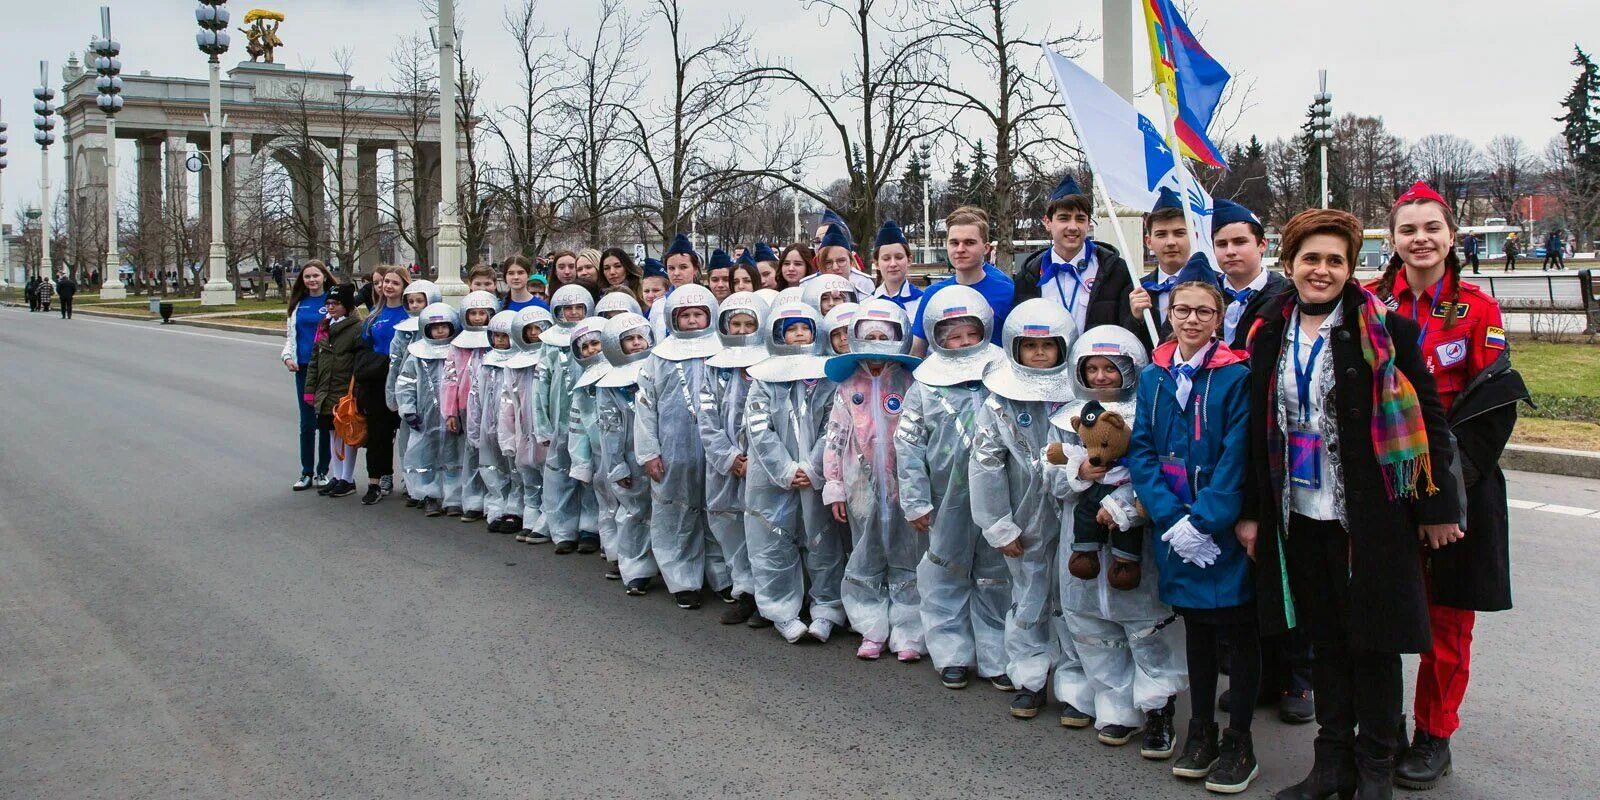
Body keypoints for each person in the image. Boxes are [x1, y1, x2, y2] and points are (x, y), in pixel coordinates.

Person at [1240, 208, 1460, 800]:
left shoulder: (1385, 331)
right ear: (1288, 264)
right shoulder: (1265, 331)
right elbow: (1254, 430)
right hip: (1298, 513)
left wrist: (1440, 507)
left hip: (1369, 517)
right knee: (1325, 641)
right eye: (1310, 258)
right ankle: (1331, 762)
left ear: (1350, 267)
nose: (1322, 270)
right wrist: (1254, 511)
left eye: (1335, 259)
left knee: (1376, 643)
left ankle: (1374, 767)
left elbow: (1432, 421)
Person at [1368, 182, 1526, 793]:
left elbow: (1493, 404)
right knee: (1378, 611)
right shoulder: (1372, 302)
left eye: (1431, 228)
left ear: (1451, 236)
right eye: (1408, 230)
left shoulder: (1478, 308)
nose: (1420, 240)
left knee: (1448, 622)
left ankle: (1434, 735)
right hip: (1388, 479)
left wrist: (1449, 493)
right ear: (1393, 240)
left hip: (1459, 481)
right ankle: (1379, 726)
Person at [1125, 280, 1259, 793]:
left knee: (1238, 630)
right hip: (1175, 530)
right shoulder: (1154, 376)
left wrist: (1204, 522)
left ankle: (1240, 739)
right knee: (1197, 632)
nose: (1192, 320)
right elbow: (1141, 451)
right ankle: (1201, 728)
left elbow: (1236, 457)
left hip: (1218, 531)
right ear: (1170, 313)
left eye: (1205, 312)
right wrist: (1170, 520)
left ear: (1219, 319)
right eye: (1183, 310)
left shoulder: (1235, 377)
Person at [1044, 325, 1188, 751]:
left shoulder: (1151, 412)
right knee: (1092, 629)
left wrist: (1124, 503)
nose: (1103, 376)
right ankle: (1115, 708)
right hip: (1081, 540)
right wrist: (1076, 474)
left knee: (1147, 628)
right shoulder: (1066, 417)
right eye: (1093, 368)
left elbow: (1163, 471)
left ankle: (1158, 708)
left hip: (1136, 543)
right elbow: (1048, 474)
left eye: (1112, 367)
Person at [897, 286, 1010, 690]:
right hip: (944, 499)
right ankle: (951, 652)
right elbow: (908, 445)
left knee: (996, 575)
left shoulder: (1002, 377)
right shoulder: (924, 386)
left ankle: (997, 655)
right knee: (945, 571)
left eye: (970, 334)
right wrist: (915, 501)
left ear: (985, 331)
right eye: (952, 336)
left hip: (1000, 497)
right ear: (937, 337)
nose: (962, 343)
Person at [969, 298, 1077, 721]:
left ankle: (1076, 683)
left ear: (1063, 348)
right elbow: (985, 462)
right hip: (1022, 515)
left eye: (1048, 346)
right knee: (1029, 595)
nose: (1038, 354)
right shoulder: (1000, 400)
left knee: (1073, 598)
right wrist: (998, 524)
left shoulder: (1081, 391)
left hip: (1071, 513)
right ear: (1014, 348)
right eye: (1029, 347)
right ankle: (1030, 677)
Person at [823, 298, 927, 661]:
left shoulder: (912, 382)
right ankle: (871, 627)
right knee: (866, 554)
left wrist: (920, 488)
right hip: (860, 486)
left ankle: (909, 631)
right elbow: (835, 438)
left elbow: (922, 437)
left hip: (904, 484)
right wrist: (834, 484)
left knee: (909, 556)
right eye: (870, 335)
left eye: (885, 335)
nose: (877, 341)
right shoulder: (847, 387)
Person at [743, 301, 848, 643]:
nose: (799, 334)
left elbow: (833, 427)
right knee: (771, 540)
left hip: (815, 476)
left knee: (822, 541)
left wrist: (811, 467)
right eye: (791, 329)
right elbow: (758, 428)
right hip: (771, 478)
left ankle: (827, 609)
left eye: (805, 328)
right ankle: (781, 611)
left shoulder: (826, 376)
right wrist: (786, 470)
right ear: (777, 335)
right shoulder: (763, 378)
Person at [636, 284, 732, 610]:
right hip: (673, 450)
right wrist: (648, 452)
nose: (692, 321)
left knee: (719, 512)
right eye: (685, 315)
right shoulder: (658, 357)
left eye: (698, 314)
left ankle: (723, 576)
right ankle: (682, 579)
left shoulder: (723, 351)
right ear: (673, 319)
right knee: (675, 511)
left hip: (716, 450)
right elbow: (645, 407)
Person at [699, 292, 771, 625]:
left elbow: (773, 422)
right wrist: (730, 458)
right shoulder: (715, 367)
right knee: (729, 525)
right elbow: (707, 416)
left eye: (749, 324)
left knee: (763, 527)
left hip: (762, 467)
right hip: (726, 467)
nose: (742, 330)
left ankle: (769, 595)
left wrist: (756, 460)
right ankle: (745, 590)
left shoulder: (771, 363)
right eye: (736, 324)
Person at [1013, 175, 1145, 342]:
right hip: (1047, 365)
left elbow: (1128, 331)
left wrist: (1137, 318)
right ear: (1047, 222)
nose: (1073, 227)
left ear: (1088, 223)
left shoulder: (1116, 271)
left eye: (1080, 219)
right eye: (1064, 218)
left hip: (1096, 366)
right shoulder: (1028, 276)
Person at [597, 312, 660, 594]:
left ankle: (670, 564)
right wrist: (617, 466)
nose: (636, 344)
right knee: (634, 513)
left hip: (662, 455)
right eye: (629, 339)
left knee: (667, 511)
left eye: (640, 337)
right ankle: (635, 567)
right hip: (630, 457)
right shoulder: (610, 383)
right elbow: (609, 429)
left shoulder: (661, 368)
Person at [537, 285, 600, 551]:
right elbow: (541, 385)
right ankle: (562, 528)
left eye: (579, 308)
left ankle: (590, 527)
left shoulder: (595, 338)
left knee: (589, 474)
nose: (573, 313)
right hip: (561, 420)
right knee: (559, 475)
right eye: (567, 309)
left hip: (590, 421)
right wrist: (543, 425)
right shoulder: (550, 344)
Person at [910, 206, 1017, 353]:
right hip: (946, 375)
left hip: (994, 374)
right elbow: (917, 351)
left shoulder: (1008, 292)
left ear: (986, 248)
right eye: (954, 243)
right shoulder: (933, 295)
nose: (960, 249)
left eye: (969, 242)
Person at [442, 290, 500, 520]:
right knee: (470, 453)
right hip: (466, 407)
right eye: (473, 313)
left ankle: (493, 500)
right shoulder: (458, 346)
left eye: (482, 313)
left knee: (492, 454)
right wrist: (450, 412)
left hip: (493, 406)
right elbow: (450, 378)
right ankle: (471, 498)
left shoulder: (497, 341)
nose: (477, 318)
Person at [396, 302, 460, 515]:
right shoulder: (417, 354)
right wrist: (408, 410)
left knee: (454, 458)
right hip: (425, 417)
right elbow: (405, 382)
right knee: (424, 456)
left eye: (444, 325)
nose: (440, 330)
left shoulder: (458, 351)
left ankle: (453, 498)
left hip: (452, 417)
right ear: (426, 328)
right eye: (435, 327)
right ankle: (428, 495)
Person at [355, 266, 410, 504]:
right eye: (386, 282)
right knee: (379, 435)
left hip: (406, 381)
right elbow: (365, 347)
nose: (388, 286)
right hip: (378, 382)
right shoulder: (374, 317)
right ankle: (377, 480)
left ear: (404, 287)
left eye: (395, 283)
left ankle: (412, 479)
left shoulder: (411, 315)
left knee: (409, 433)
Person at [304, 283, 364, 499]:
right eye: (328, 303)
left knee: (346, 435)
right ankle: (337, 476)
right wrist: (310, 390)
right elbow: (314, 361)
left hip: (343, 391)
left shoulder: (356, 328)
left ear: (346, 306)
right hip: (325, 390)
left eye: (336, 303)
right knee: (331, 434)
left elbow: (359, 363)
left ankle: (348, 478)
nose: (330, 307)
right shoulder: (324, 326)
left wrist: (356, 392)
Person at [502, 306, 555, 543]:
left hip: (547, 430)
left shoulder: (552, 356)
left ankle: (548, 521)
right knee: (528, 475)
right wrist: (509, 435)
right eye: (529, 329)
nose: (534, 333)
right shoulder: (514, 363)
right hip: (524, 430)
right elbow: (508, 401)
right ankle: (531, 516)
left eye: (539, 328)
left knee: (551, 477)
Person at [568, 316, 616, 573]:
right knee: (607, 505)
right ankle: (616, 553)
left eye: (596, 343)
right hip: (600, 455)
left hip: (627, 453)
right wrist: (581, 462)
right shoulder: (583, 384)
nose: (591, 351)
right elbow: (578, 427)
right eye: (584, 347)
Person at [282, 260, 336, 490]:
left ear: (324, 276)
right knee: (307, 423)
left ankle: (323, 471)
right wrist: (287, 357)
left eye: (316, 276)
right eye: (307, 277)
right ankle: (306, 472)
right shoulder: (298, 305)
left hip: (327, 369)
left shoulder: (333, 302)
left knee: (325, 422)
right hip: (304, 369)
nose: (312, 280)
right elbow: (290, 337)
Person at [389, 279, 442, 507]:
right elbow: (395, 365)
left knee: (438, 446)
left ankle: (435, 490)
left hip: (438, 397)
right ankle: (414, 488)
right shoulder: (403, 332)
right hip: (412, 394)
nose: (415, 305)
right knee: (410, 445)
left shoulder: (442, 326)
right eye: (410, 301)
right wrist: (395, 397)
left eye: (420, 300)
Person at [1212, 198, 1291, 349]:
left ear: (1262, 245)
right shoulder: (1205, 292)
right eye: (1222, 244)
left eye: (1240, 242)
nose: (1230, 252)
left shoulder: (1285, 295)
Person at [474, 310, 523, 534]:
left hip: (513, 424)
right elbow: (475, 395)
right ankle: (496, 507)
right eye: (496, 336)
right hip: (488, 423)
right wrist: (475, 427)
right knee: (491, 465)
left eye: (506, 336)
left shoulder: (521, 361)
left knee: (516, 467)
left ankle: (516, 509)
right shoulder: (485, 361)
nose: (500, 340)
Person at [1129, 187, 1192, 343]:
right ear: (1148, 242)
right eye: (1161, 234)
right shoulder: (1137, 289)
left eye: (1179, 233)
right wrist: (1135, 320)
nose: (1171, 242)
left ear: (1193, 236)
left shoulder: (1215, 285)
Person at [803, 221, 877, 296]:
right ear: (820, 264)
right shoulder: (807, 287)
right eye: (828, 263)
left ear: (851, 262)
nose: (835, 268)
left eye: (841, 261)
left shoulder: (863, 284)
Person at [870, 220, 925, 312]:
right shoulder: (867, 304)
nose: (893, 264)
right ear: (877, 264)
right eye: (886, 259)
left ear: (909, 260)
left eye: (899, 257)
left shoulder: (922, 302)